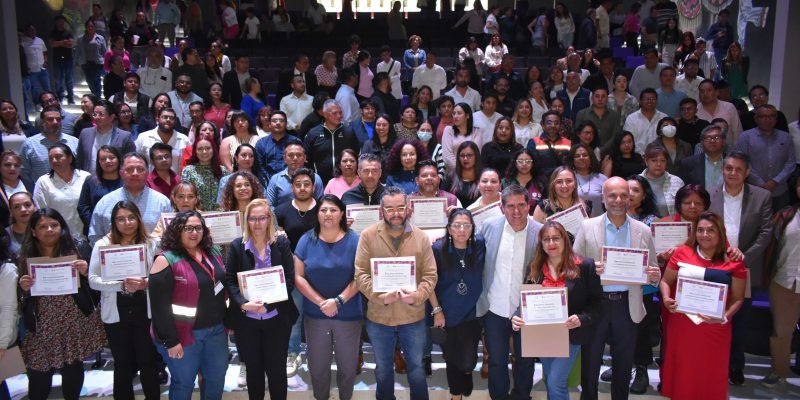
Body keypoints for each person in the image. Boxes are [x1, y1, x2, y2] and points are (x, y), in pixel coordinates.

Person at [572, 176, 661, 400]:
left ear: (630, 198)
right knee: (590, 362)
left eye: (624, 195)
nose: (619, 200)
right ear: (603, 198)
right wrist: (591, 270)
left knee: (624, 363)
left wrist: (654, 276)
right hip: (595, 305)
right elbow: (572, 269)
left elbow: (653, 270)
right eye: (612, 195)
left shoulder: (643, 230)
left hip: (627, 305)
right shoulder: (587, 226)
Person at [354, 186, 437, 400]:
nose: (396, 213)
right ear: (382, 211)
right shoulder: (368, 235)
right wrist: (379, 296)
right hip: (379, 316)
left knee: (417, 369)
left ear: (408, 208)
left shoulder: (420, 237)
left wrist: (417, 296)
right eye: (390, 209)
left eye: (400, 207)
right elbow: (360, 274)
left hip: (413, 316)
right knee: (382, 370)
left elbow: (430, 275)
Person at [17, 208, 105, 400]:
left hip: (73, 317)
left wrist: (86, 271)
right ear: (33, 231)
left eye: (54, 225)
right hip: (42, 322)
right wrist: (23, 287)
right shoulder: (25, 255)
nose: (49, 229)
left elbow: (98, 282)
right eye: (42, 226)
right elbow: (19, 297)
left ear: (62, 226)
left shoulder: (79, 247)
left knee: (72, 366)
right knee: (39, 372)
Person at [509, 219, 602, 400]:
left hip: (570, 334)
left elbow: (597, 304)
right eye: (546, 239)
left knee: (555, 382)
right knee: (552, 380)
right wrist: (516, 317)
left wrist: (581, 318)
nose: (551, 243)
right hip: (543, 334)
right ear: (541, 243)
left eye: (556, 238)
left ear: (564, 240)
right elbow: (526, 302)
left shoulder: (585, 266)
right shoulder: (534, 268)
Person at [659, 211, 746, 399]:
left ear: (720, 232)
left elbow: (738, 298)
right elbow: (665, 282)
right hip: (682, 325)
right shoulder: (682, 252)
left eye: (711, 230)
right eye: (700, 230)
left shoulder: (734, 260)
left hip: (715, 327)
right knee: (683, 372)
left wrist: (724, 317)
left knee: (711, 372)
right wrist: (666, 299)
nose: (704, 235)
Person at [706, 151, 773, 385]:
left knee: (740, 321)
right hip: (714, 266)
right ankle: (713, 364)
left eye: (738, 169)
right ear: (723, 169)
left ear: (747, 172)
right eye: (728, 168)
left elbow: (766, 232)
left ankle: (735, 365)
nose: (732, 173)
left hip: (744, 269)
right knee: (712, 318)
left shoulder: (762, 196)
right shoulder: (710, 194)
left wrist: (744, 257)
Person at [150, 210, 228, 400]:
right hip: (183, 335)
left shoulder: (213, 252)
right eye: (188, 228)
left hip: (216, 331)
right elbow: (159, 307)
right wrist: (171, 341)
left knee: (216, 379)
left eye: (198, 228)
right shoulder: (165, 260)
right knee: (184, 383)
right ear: (178, 230)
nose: (194, 232)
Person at [88, 201, 161, 399]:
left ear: (138, 219)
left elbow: (162, 275)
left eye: (131, 217)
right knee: (122, 364)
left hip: (144, 309)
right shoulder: (103, 245)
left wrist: (146, 282)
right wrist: (120, 285)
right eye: (120, 219)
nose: (127, 223)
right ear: (113, 222)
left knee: (148, 361)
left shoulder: (152, 243)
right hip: (116, 310)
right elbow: (93, 281)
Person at [476, 184, 541, 399]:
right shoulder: (488, 227)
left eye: (521, 205)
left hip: (526, 311)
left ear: (529, 205)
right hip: (495, 308)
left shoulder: (540, 232)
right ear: (502, 207)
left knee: (525, 360)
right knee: (496, 360)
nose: (516, 211)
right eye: (510, 206)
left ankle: (522, 396)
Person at [427, 209, 485, 399]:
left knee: (467, 361)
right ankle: (455, 395)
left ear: (472, 228)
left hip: (471, 314)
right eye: (456, 225)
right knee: (451, 358)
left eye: (466, 225)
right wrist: (437, 310)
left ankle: (467, 373)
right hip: (446, 313)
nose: (462, 230)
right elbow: (429, 283)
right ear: (449, 229)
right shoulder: (438, 249)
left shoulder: (480, 246)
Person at [762, 176, 800, 387]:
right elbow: (772, 247)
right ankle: (779, 371)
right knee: (782, 332)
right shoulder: (786, 215)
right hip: (785, 281)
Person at [89, 153, 173, 245]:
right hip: (115, 258)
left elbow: (171, 237)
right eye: (129, 169)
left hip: (154, 257)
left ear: (147, 173)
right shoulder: (105, 203)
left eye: (140, 169)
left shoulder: (163, 203)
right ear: (121, 173)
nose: (135, 173)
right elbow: (95, 236)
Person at [736, 105, 796, 212]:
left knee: (780, 224)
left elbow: (790, 163)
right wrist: (760, 182)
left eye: (771, 116)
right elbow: (742, 162)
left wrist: (775, 181)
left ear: (776, 119)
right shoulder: (745, 137)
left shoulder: (785, 137)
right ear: (756, 119)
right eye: (763, 116)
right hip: (754, 190)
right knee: (753, 225)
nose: (767, 119)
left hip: (780, 191)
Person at [32, 143, 90, 240]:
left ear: (70, 158)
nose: (54, 161)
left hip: (85, 236)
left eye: (58, 157)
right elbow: (41, 212)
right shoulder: (43, 182)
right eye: (51, 158)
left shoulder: (86, 177)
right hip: (58, 238)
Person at [20, 106, 79, 189]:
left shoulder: (74, 142)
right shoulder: (29, 144)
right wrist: (34, 190)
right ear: (42, 122)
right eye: (50, 119)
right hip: (42, 193)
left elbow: (79, 169)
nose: (55, 122)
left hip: (70, 192)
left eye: (58, 119)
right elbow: (24, 172)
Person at [304, 100, 360, 184]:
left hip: (345, 180)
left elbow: (357, 153)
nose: (339, 116)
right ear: (325, 114)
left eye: (340, 112)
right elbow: (306, 158)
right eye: (335, 113)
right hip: (320, 181)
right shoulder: (313, 133)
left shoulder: (349, 131)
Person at [76, 100, 135, 174]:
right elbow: (80, 159)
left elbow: (130, 161)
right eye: (95, 114)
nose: (97, 117)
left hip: (115, 180)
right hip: (89, 178)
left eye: (101, 114)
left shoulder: (124, 136)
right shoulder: (85, 133)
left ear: (112, 117)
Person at [78, 146, 123, 236]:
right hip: (97, 231)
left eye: (111, 158)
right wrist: (95, 225)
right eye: (103, 159)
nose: (107, 161)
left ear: (118, 159)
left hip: (124, 229)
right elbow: (83, 206)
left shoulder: (127, 180)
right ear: (99, 162)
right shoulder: (91, 181)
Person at [266, 141, 323, 210]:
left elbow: (320, 204)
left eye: (299, 155)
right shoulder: (275, 179)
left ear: (305, 158)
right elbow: (269, 205)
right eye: (291, 155)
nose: (295, 158)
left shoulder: (315, 178)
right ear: (284, 158)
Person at [135, 108, 190, 173]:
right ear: (157, 119)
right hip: (149, 181)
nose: (168, 120)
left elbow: (187, 165)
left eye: (171, 118)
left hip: (176, 181)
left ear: (175, 122)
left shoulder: (184, 140)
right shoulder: (143, 137)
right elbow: (137, 161)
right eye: (165, 117)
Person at [181, 134, 223, 212]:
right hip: (196, 216)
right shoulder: (188, 171)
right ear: (195, 151)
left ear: (213, 149)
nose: (204, 152)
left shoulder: (223, 170)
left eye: (208, 148)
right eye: (200, 149)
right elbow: (186, 197)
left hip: (220, 217)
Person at [640, 144, 684, 217]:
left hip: (671, 226)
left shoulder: (677, 182)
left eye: (663, 161)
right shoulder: (637, 182)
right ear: (646, 161)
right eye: (654, 160)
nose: (658, 164)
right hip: (642, 226)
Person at [575, 87, 623, 156]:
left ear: (607, 99)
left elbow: (616, 136)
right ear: (592, 98)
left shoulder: (615, 115)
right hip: (585, 153)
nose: (600, 99)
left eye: (603, 96)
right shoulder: (582, 114)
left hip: (609, 154)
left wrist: (601, 150)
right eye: (597, 96)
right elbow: (578, 135)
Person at [527, 111, 571, 181]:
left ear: (560, 125)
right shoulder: (534, 142)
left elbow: (569, 166)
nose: (553, 125)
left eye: (556, 123)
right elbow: (532, 167)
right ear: (543, 125)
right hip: (540, 182)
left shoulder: (568, 143)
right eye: (549, 123)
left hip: (562, 182)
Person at [697, 79, 743, 144]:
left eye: (709, 90)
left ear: (717, 92)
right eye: (702, 91)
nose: (705, 94)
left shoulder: (729, 107)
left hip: (729, 151)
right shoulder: (695, 111)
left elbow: (737, 132)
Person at [624, 89, 669, 155]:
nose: (650, 101)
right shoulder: (631, 119)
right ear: (640, 101)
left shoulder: (664, 118)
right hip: (637, 157)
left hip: (660, 157)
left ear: (657, 101)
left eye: (653, 99)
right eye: (646, 99)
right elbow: (628, 141)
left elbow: (669, 141)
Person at [442, 103, 483, 172]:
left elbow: (476, 154)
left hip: (472, 173)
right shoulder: (448, 130)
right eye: (454, 113)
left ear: (467, 115)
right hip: (453, 173)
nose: (455, 116)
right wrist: (462, 171)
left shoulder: (477, 131)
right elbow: (447, 156)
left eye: (459, 113)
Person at [570, 143, 608, 217]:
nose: (581, 158)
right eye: (577, 156)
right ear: (572, 160)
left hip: (599, 221)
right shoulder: (568, 179)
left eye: (585, 155)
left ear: (591, 158)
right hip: (575, 223)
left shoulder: (602, 178)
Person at [443, 141, 481, 208]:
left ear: (476, 157)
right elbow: (443, 199)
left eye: (469, 155)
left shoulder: (483, 178)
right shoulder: (450, 177)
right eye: (462, 156)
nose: (465, 158)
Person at [48, 15, 75, 105]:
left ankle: (70, 98)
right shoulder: (53, 33)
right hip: (57, 59)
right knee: (58, 80)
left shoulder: (68, 33)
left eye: (63, 21)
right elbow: (52, 44)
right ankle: (60, 97)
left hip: (68, 59)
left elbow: (71, 44)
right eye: (59, 21)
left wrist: (59, 43)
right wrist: (63, 42)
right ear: (56, 22)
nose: (61, 22)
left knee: (69, 79)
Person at [6, 191, 35, 256]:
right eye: (16, 207)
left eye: (27, 205)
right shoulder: (5, 234)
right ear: (11, 211)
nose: (23, 210)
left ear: (34, 206)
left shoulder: (46, 229)